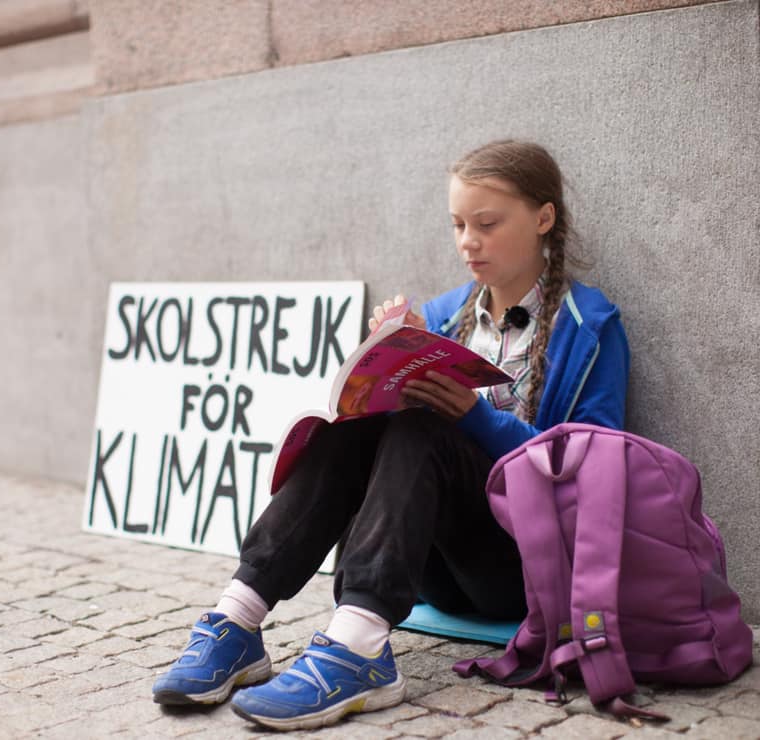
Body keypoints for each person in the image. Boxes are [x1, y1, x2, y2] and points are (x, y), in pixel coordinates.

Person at [151, 140, 630, 731]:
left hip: (521, 569)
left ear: (543, 218)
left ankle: (359, 648)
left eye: (487, 223)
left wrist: (475, 418)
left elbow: (598, 467)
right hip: (433, 567)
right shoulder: (446, 314)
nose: (467, 242)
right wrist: (380, 370)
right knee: (355, 424)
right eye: (457, 225)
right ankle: (238, 618)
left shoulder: (591, 324)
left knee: (430, 422)